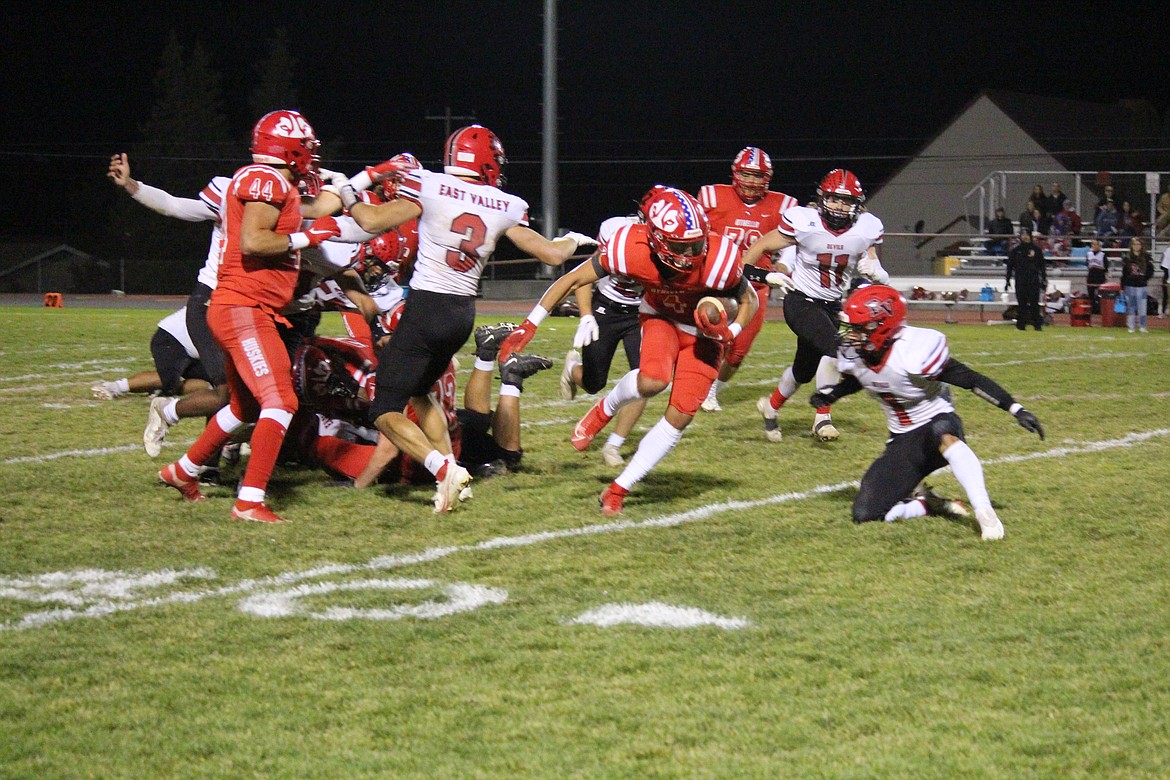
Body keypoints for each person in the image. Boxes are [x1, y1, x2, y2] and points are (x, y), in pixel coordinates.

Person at [339, 124, 596, 513]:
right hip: (461, 315)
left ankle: (443, 469)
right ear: (489, 163)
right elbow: (552, 255)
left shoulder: (429, 184)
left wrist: (345, 191)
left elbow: (372, 221)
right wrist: (573, 240)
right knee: (420, 393)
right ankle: (456, 475)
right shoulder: (505, 204)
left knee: (384, 410)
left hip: (426, 308)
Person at [498, 186, 758, 516]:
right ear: (656, 239)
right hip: (660, 315)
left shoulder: (720, 257)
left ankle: (620, 487)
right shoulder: (628, 246)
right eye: (681, 246)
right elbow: (574, 279)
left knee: (680, 416)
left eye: (696, 243)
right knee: (653, 380)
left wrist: (730, 329)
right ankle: (604, 409)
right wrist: (531, 323)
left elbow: (750, 300)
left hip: (704, 333)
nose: (691, 252)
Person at [157, 109, 345, 522]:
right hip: (244, 307)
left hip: (244, 306)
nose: (310, 155)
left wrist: (366, 180)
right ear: (291, 148)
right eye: (306, 147)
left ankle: (182, 470)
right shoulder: (267, 180)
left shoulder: (275, 181)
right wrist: (306, 237)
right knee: (281, 401)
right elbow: (254, 241)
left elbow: (320, 206)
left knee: (244, 407)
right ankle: (249, 501)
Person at [812, 284, 1044, 540]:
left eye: (859, 328)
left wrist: (1015, 408)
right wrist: (832, 394)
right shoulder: (857, 355)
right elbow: (862, 377)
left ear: (882, 326)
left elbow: (970, 379)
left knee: (940, 429)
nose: (851, 336)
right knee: (865, 513)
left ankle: (984, 512)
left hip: (937, 424)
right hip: (902, 441)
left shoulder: (913, 352)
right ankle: (926, 505)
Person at [742, 169, 891, 443]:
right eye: (834, 199)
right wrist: (757, 275)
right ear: (823, 198)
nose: (839, 207)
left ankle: (770, 407)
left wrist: (876, 271)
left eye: (847, 202)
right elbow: (760, 247)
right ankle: (823, 418)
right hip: (800, 300)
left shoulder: (867, 227)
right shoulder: (804, 222)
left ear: (857, 205)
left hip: (833, 304)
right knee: (837, 347)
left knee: (804, 370)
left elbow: (873, 263)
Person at [695, 147, 797, 412]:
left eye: (758, 176)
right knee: (710, 333)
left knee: (738, 351)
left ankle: (715, 385)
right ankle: (703, 385)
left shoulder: (783, 205)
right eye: (747, 175)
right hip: (717, 280)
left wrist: (784, 267)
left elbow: (790, 245)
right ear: (735, 173)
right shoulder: (711, 196)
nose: (752, 182)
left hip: (757, 285)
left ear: (768, 177)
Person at [560, 211, 650, 467]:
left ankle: (614, 445)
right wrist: (586, 315)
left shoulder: (669, 243)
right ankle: (572, 369)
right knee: (594, 383)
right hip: (606, 309)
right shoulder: (617, 231)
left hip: (641, 313)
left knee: (645, 377)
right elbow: (583, 278)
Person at [1005, 227, 1046, 331]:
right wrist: (1007, 280)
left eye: (1027, 234)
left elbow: (1042, 266)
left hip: (1033, 280)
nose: (1025, 236)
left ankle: (1037, 325)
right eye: (1023, 234)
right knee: (1021, 304)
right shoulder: (1016, 251)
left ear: (1030, 236)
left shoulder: (1036, 250)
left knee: (1034, 304)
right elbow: (1010, 266)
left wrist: (1044, 279)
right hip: (1020, 280)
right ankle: (1021, 325)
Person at [1120, 238, 1154, 333]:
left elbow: (1151, 271)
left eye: (1138, 244)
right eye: (1134, 244)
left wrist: (1144, 278)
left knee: (1142, 307)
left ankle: (1142, 326)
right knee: (1131, 307)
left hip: (1142, 286)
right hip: (1130, 286)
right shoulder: (1127, 258)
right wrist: (1122, 286)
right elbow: (1124, 273)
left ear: (1141, 246)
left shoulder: (1146, 257)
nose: (1136, 246)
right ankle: (1131, 326)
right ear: (1131, 246)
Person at [1085, 239, 1110, 314]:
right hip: (1091, 277)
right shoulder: (1088, 254)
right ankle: (1092, 310)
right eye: (1093, 244)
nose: (1095, 246)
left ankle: (1099, 311)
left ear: (1099, 246)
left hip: (1100, 277)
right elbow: (1087, 265)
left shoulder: (1103, 255)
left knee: (1100, 296)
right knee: (1091, 296)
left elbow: (1106, 267)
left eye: (1096, 244)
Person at [1160, 242, 1170, 317]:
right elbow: (1163, 266)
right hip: (1168, 277)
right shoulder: (1167, 251)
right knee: (1166, 295)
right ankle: (1163, 312)